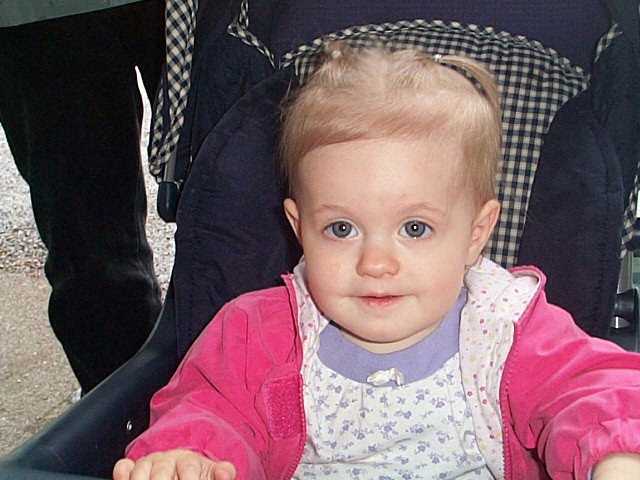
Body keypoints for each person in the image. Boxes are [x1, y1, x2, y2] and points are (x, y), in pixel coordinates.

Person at [113, 44, 640, 479]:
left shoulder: (509, 332)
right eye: (341, 229)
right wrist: (191, 456)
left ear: (475, 235)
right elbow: (209, 409)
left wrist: (615, 453)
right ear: (299, 228)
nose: (376, 263)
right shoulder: (256, 336)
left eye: (415, 229)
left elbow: (591, 389)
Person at [0, 1, 165, 392]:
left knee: (246, 220)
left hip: (206, 11)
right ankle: (133, 416)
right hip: (47, 15)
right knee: (95, 268)